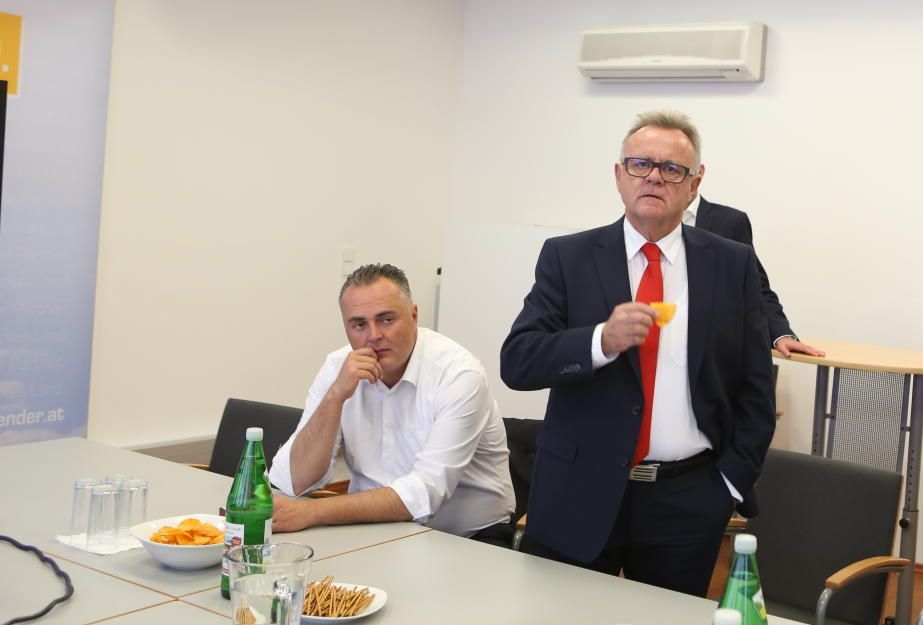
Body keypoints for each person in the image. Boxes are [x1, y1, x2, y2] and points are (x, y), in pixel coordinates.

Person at [500, 110, 775, 596]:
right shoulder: (567, 256)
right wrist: (599, 341)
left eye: (672, 169)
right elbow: (518, 361)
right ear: (618, 174)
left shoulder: (731, 264)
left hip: (687, 500)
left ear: (695, 184)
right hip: (577, 491)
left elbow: (755, 384)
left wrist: (728, 484)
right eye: (640, 164)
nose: (653, 177)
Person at [268, 263, 516, 547]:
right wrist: (335, 397)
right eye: (359, 325)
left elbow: (424, 493)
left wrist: (312, 512)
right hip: (371, 530)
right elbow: (295, 480)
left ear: (414, 316)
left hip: (467, 539)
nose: (373, 336)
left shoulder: (458, 374)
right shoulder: (338, 367)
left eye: (386, 319)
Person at [684, 194, 824, 358]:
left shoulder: (730, 222)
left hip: (709, 353)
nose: (660, 181)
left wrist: (781, 333)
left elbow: (755, 288)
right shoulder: (655, 220)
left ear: (696, 180)